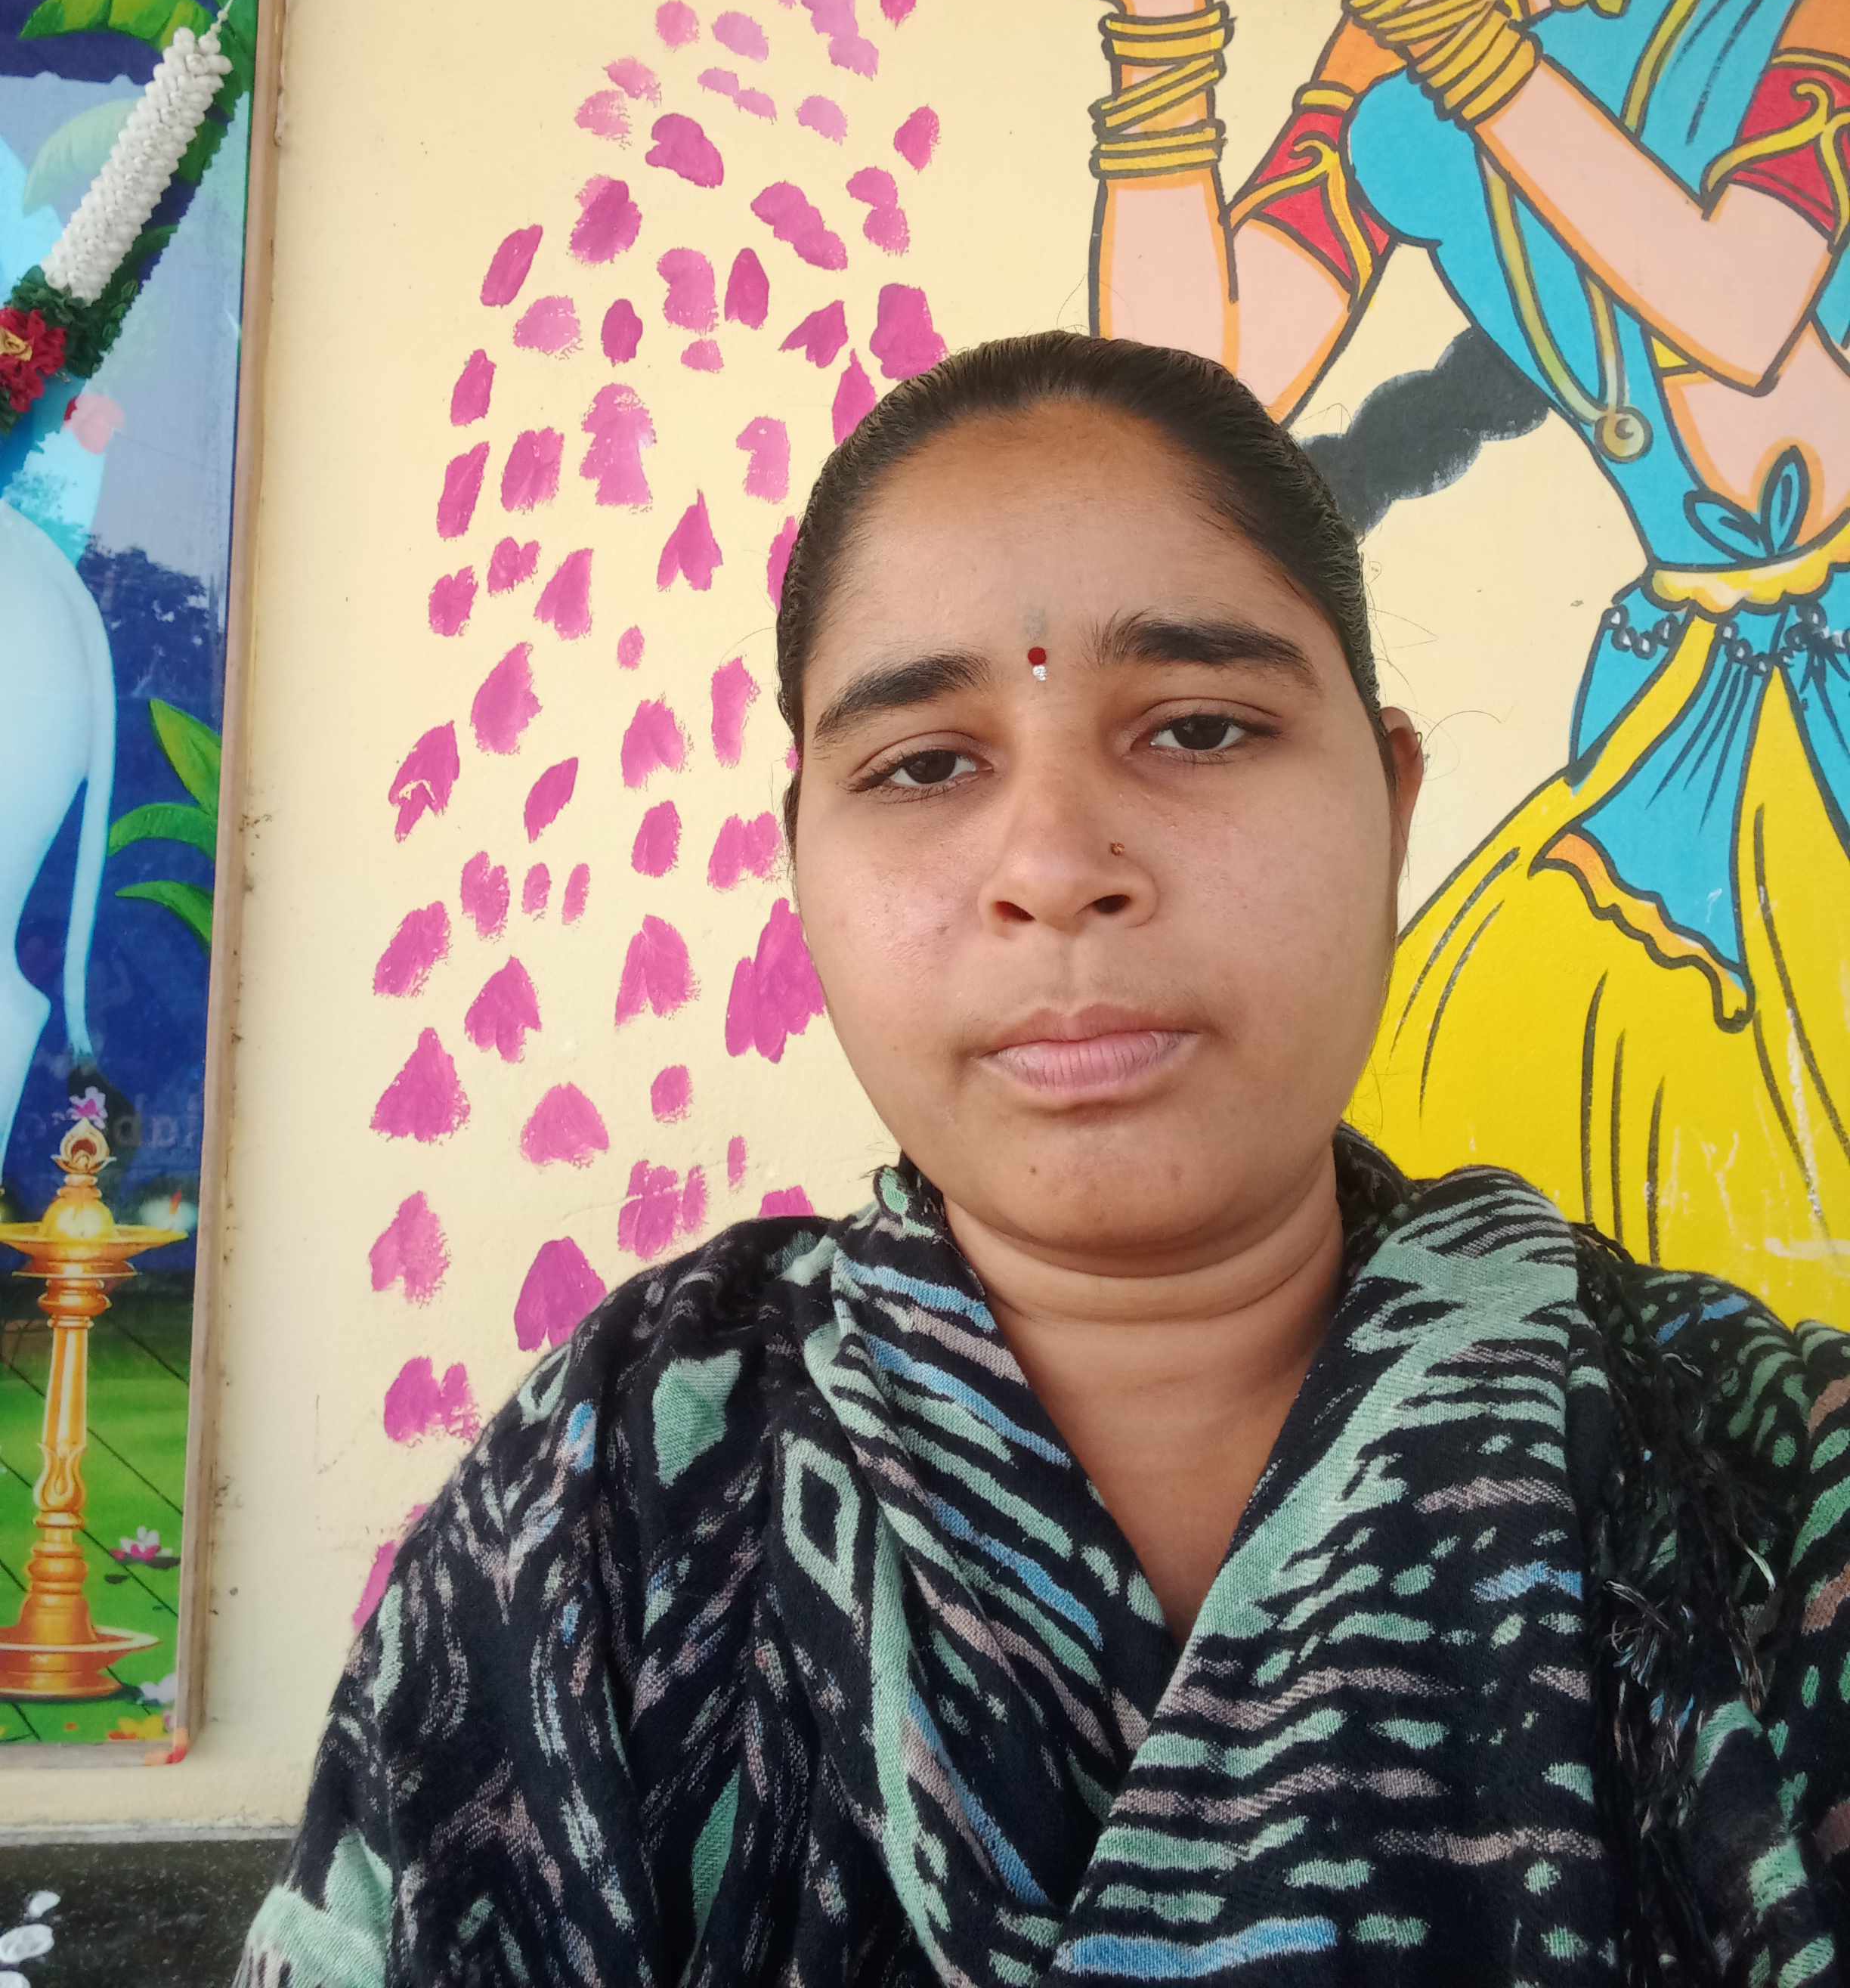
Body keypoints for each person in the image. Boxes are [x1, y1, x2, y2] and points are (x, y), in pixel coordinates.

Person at [237, 334, 1850, 1986]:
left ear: (1391, 802)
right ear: (801, 862)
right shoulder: (610, 1493)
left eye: (1200, 728)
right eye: (924, 765)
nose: (1058, 864)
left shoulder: (1770, 1494)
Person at [834, 0, 1850, 1334]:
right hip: (1689, 690)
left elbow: (1733, 297)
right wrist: (1163, 37)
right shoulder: (1404, 38)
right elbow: (1200, 398)